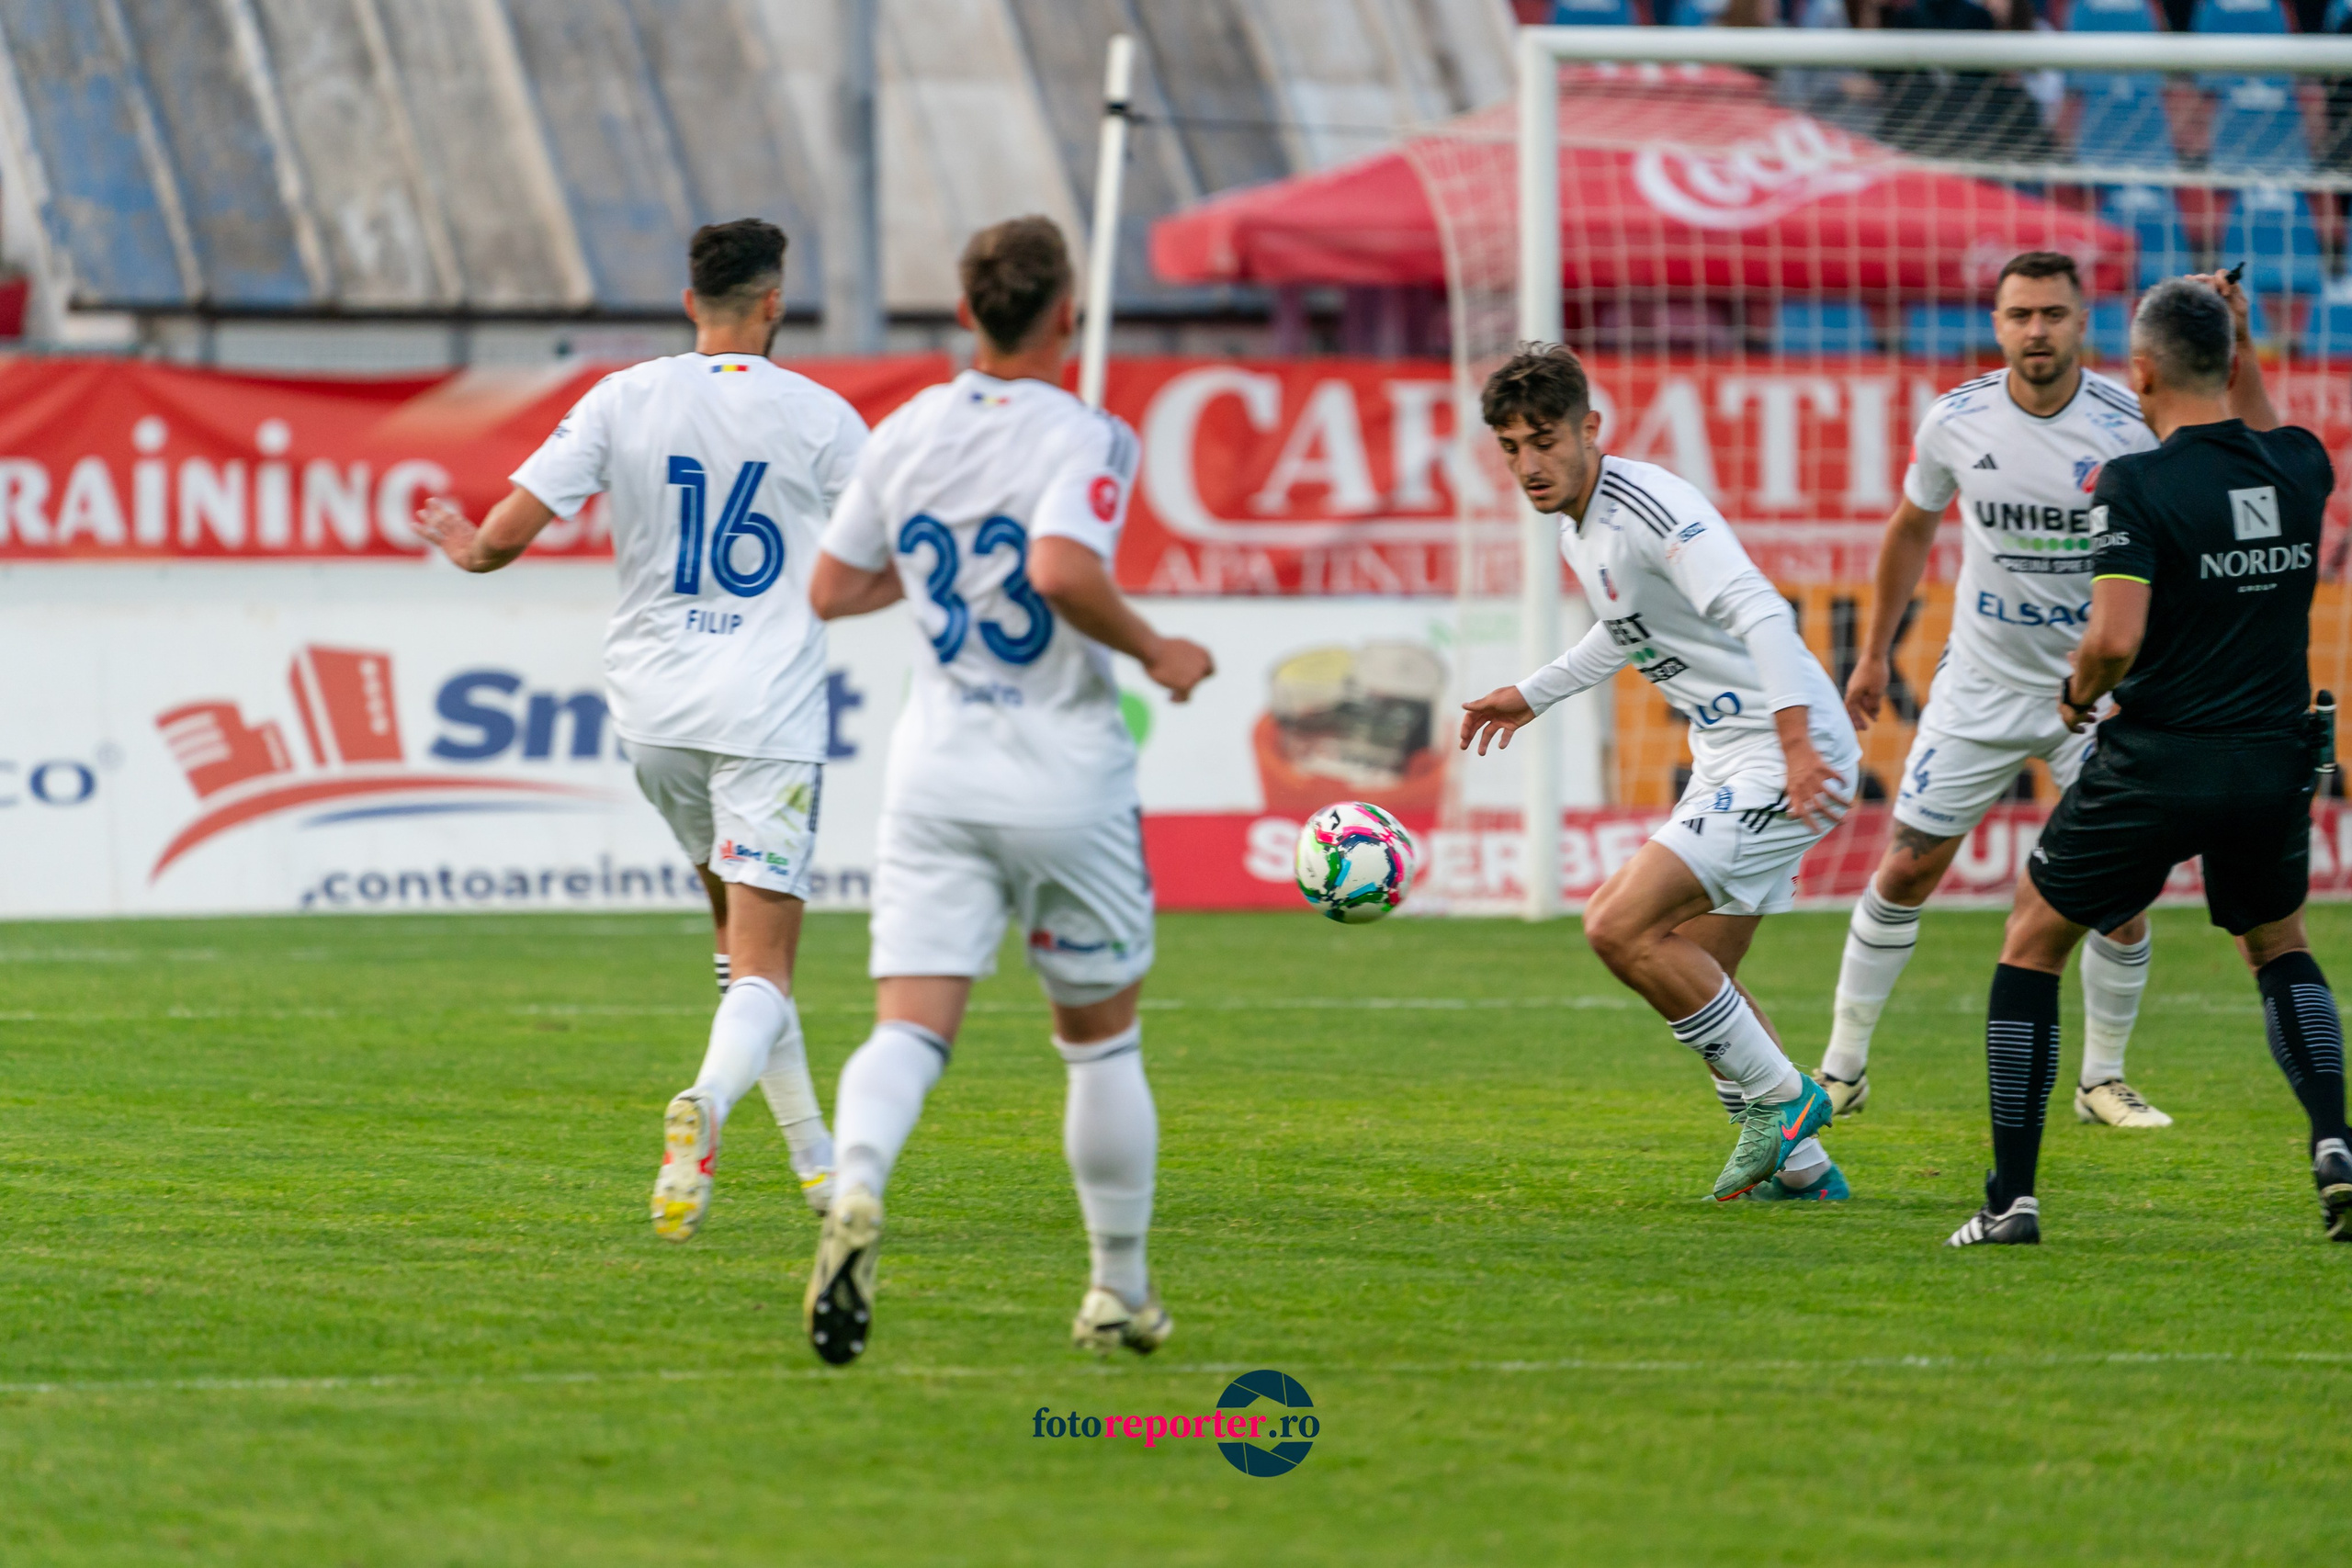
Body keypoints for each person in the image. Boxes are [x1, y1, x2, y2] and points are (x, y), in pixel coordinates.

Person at [800, 216, 1216, 1364]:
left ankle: (859, 1185)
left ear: (965, 307)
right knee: (1097, 1041)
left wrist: (944, 580)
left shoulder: (906, 429)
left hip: (935, 769)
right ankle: (1117, 1289)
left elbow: (832, 588)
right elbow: (1058, 568)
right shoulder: (1090, 435)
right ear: (1067, 313)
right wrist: (1154, 649)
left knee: (909, 1025)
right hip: (1061, 770)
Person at [413, 219, 861, 1240]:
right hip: (765, 711)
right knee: (765, 966)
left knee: (736, 943)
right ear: (774, 301)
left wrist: (461, 544)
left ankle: (817, 1170)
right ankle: (705, 1103)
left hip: (655, 713)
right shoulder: (822, 416)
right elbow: (887, 542)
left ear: (689, 301)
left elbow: (499, 543)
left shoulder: (624, 397)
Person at [1948, 275, 2352, 1247]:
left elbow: (2114, 637)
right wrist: (2238, 337)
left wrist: (2081, 693)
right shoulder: (2299, 465)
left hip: (2159, 761)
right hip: (2270, 763)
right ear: (2228, 359)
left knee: (2033, 939)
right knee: (2279, 943)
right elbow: (2249, 426)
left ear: (2135, 374)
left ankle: (2010, 1200)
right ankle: (2336, 1142)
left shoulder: (2135, 483)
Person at [1461, 344, 1858, 1203]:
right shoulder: (1578, 522)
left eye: (1544, 440)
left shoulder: (1649, 506)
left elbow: (1759, 605)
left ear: (1589, 428)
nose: (1530, 465)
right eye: (1511, 449)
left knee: (1615, 925)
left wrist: (1795, 743)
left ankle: (1790, 1104)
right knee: (1697, 972)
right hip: (1729, 755)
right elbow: (1624, 627)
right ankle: (1803, 1174)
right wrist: (1533, 694)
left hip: (1779, 755)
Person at [1830, 251, 2207, 1129]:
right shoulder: (1956, 420)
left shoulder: (2132, 425)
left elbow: (2180, 555)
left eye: (2052, 314)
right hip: (1982, 683)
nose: (2036, 330)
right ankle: (1842, 1066)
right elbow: (1911, 528)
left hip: (2101, 691)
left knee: (2119, 896)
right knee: (1907, 866)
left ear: (2084, 323)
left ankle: (2102, 1079)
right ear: (1998, 325)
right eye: (2019, 315)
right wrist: (1875, 654)